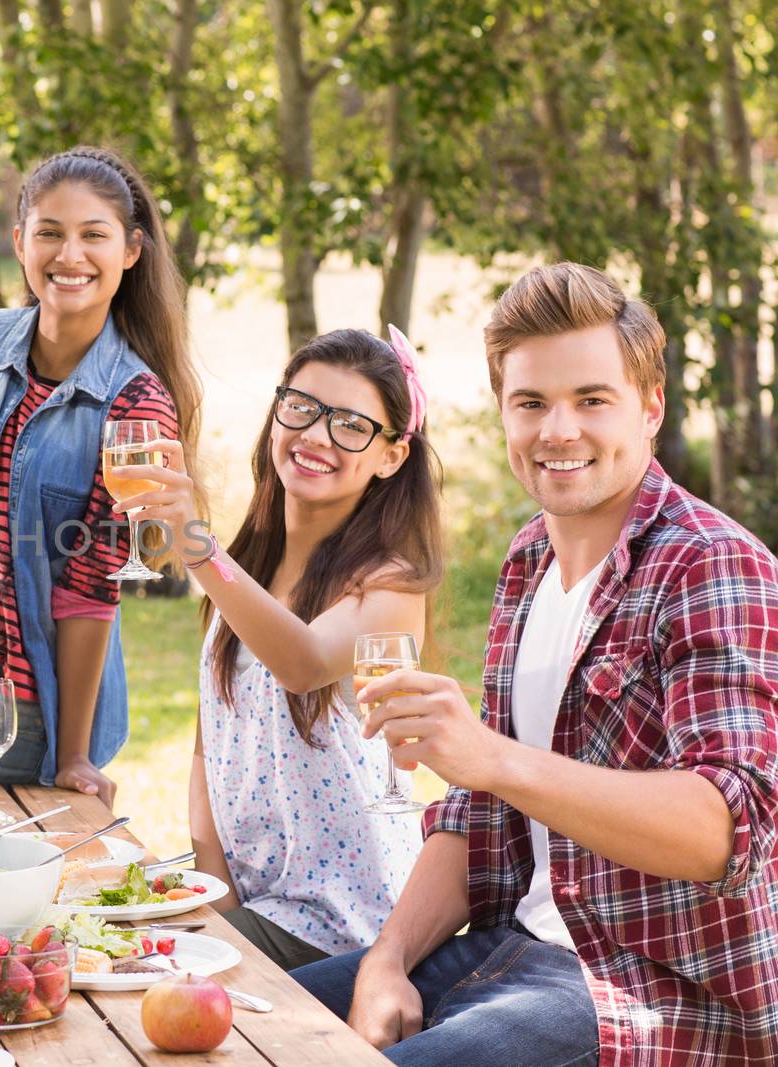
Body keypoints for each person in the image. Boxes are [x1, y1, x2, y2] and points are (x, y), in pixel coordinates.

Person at [292, 263, 778, 1065]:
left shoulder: (711, 565)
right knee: (249, 1023)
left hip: (643, 992)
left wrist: (494, 757)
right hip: (509, 943)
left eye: (591, 400)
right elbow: (476, 811)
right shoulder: (528, 558)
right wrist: (386, 959)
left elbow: (726, 831)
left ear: (650, 407)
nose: (558, 430)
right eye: (531, 403)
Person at [115, 327, 443, 971]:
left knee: (131, 982)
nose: (317, 437)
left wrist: (195, 545)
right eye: (302, 408)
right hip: (254, 902)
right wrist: (215, 898)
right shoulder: (251, 570)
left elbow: (302, 663)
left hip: (343, 919)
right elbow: (210, 744)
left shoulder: (393, 584)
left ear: (391, 456)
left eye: (351, 425)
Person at [0, 146, 205, 803]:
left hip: (21, 703)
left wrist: (73, 751)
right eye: (50, 233)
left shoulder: (135, 403)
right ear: (20, 241)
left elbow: (91, 590)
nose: (70, 256)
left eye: (94, 236)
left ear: (131, 250)